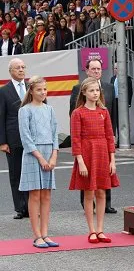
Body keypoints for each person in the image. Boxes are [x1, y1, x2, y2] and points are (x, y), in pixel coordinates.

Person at [69, 77, 119, 244]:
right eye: (91, 90)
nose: (95, 93)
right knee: (89, 192)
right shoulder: (78, 113)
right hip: (86, 153)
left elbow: (109, 137)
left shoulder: (104, 112)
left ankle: (100, 229)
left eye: (97, 90)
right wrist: (80, 161)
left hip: (102, 153)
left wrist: (113, 160)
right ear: (84, 93)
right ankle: (91, 230)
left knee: (101, 191)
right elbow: (75, 139)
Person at [18, 76, 60, 248]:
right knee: (35, 194)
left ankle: (45, 233)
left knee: (47, 195)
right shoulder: (25, 110)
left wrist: (54, 156)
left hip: (49, 153)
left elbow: (55, 133)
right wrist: (41, 157)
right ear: (31, 91)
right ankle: (37, 236)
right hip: (32, 154)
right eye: (39, 89)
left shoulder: (49, 109)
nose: (43, 92)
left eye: (45, 89)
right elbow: (25, 138)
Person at [0, 58, 29, 219]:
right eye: (18, 68)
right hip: (13, 139)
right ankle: (20, 208)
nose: (21, 70)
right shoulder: (4, 91)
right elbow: (1, 117)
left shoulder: (32, 87)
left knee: (31, 172)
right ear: (11, 71)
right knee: (16, 173)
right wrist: (2, 142)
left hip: (32, 138)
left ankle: (31, 206)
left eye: (23, 67)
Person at [109, 62, 133, 147]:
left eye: (117, 68)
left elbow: (130, 91)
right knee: (113, 121)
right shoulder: (112, 78)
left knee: (122, 122)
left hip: (122, 102)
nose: (116, 70)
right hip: (113, 101)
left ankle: (121, 141)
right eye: (115, 68)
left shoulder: (127, 78)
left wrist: (129, 103)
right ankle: (113, 141)